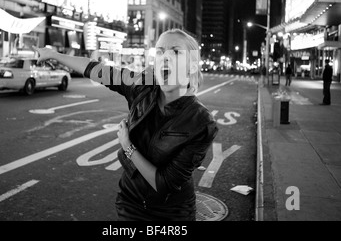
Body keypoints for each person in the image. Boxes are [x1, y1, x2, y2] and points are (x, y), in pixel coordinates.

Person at [33, 29, 218, 221]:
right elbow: (96, 70)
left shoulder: (201, 123)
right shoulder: (142, 87)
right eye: (160, 51)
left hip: (171, 213)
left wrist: (128, 146)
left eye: (176, 52)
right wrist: (53, 54)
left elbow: (164, 184)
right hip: (130, 204)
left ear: (192, 66)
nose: (166, 57)